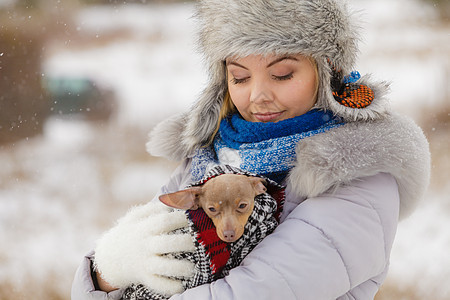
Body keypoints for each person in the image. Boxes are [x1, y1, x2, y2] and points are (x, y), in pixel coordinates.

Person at [71, 0, 431, 299]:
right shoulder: (212, 156)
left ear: (328, 71)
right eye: (240, 77)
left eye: (283, 74)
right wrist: (107, 270)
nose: (257, 96)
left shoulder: (357, 168)